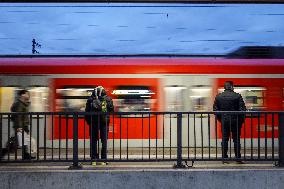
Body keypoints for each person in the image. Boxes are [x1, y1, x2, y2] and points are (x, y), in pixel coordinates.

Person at [213, 81, 246, 162]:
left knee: (224, 139)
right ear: (232, 87)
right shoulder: (237, 96)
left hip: (224, 121)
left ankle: (224, 157)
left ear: (224, 87)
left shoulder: (218, 97)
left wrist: (221, 119)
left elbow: (215, 110)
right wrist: (241, 121)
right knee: (236, 139)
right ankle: (238, 157)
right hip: (236, 120)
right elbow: (242, 110)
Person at [1, 89, 36, 160]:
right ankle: (3, 153)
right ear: (22, 95)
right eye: (27, 94)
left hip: (23, 125)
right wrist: (19, 127)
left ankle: (25, 155)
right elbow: (18, 116)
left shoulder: (22, 103)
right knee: (16, 141)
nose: (28, 95)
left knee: (22, 140)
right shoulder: (19, 104)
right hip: (21, 125)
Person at [85, 86, 114, 165]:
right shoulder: (108, 99)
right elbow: (111, 111)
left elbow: (86, 113)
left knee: (93, 141)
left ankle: (94, 159)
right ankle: (103, 160)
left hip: (93, 123)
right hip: (104, 122)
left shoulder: (90, 100)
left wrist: (89, 122)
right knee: (104, 141)